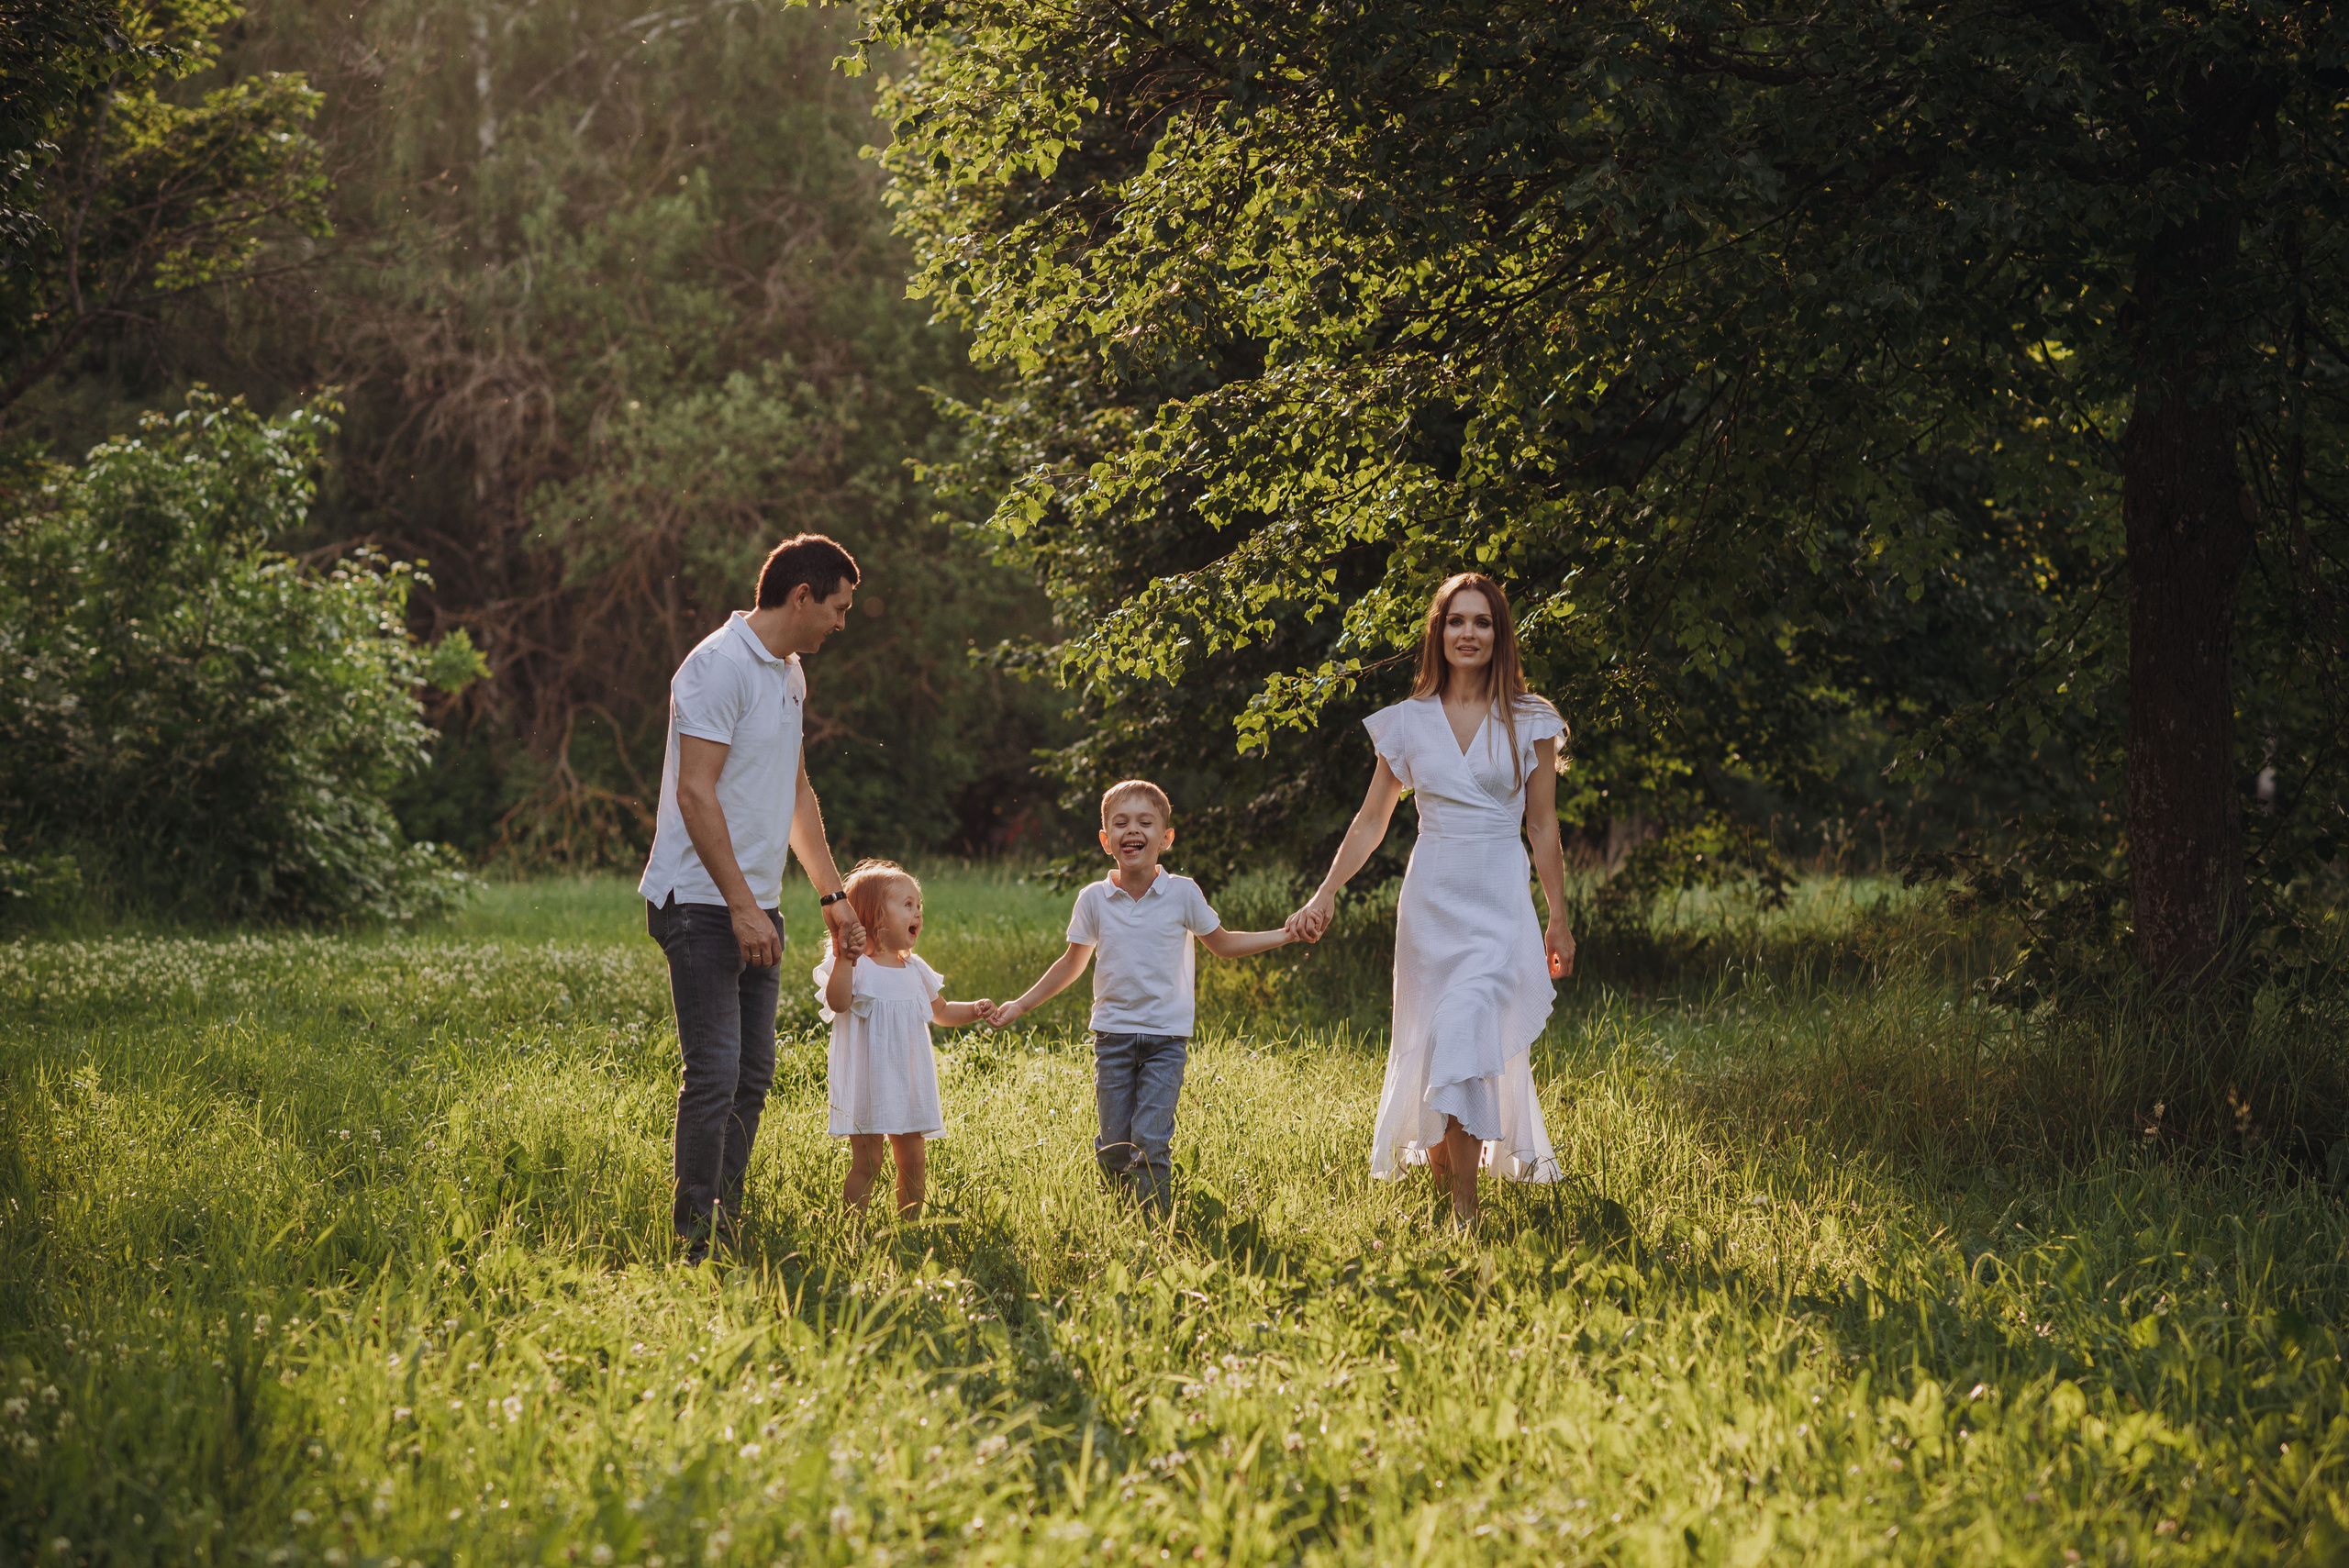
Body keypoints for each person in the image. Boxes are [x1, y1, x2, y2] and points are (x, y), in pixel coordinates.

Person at [1286, 573, 1575, 1226]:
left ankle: (1465, 1211)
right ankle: (1449, 1187)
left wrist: (1558, 916)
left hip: (1499, 901)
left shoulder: (1530, 718)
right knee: (1439, 1043)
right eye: (1455, 620)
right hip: (1431, 904)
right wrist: (1325, 892)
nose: (1468, 633)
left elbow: (1542, 826)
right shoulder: (1409, 721)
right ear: (1438, 633)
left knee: (1466, 1029)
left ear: (1499, 634)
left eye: (1482, 621)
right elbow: (1371, 820)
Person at [638, 534, 868, 1263]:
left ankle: (724, 1220)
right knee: (715, 1072)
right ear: (801, 596)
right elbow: (694, 792)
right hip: (698, 899)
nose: (841, 622)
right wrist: (740, 906)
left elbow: (795, 790)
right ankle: (694, 1243)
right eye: (838, 607)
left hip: (753, 902)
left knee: (751, 1074)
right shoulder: (716, 666)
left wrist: (830, 892)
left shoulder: (789, 672)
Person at [988, 780, 1296, 1208]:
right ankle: (1118, 1218)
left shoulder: (1182, 893)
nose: (1132, 829)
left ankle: (1154, 1225)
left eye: (1145, 822)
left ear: (1166, 838)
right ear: (1106, 841)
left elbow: (1224, 944)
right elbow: (1071, 964)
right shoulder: (1094, 899)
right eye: (1121, 823)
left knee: (1150, 1140)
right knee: (1115, 1147)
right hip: (1112, 1038)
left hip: (1165, 1040)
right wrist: (1021, 1004)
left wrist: (1287, 934)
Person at [813, 860, 996, 1218]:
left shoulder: (914, 968)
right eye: (908, 905)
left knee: (914, 1159)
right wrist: (844, 959)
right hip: (868, 1084)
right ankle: (852, 1231)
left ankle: (909, 1228)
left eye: (919, 905)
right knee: (868, 1163)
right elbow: (838, 1002)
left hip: (909, 1081)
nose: (918, 913)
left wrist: (975, 1009)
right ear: (874, 916)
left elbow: (942, 1011)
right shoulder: (857, 966)